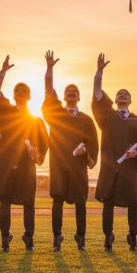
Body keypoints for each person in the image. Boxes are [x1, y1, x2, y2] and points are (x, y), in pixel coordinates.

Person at [92, 53, 137, 251]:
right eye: (120, 94)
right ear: (116, 100)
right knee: (108, 204)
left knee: (133, 205)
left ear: (131, 100)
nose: (123, 95)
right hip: (111, 169)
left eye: (126, 94)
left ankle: (132, 236)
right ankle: (108, 237)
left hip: (129, 170)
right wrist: (99, 72)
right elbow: (98, 96)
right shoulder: (108, 117)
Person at [0, 56, 49, 252]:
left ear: (29, 96)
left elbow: (44, 143)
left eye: (24, 91)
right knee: (5, 202)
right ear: (14, 95)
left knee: (28, 203)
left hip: (26, 165)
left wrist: (36, 154)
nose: (21, 93)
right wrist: (3, 71)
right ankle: (4, 238)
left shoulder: (35, 120)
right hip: (7, 163)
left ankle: (28, 238)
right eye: (17, 90)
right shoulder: (6, 112)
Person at [43, 50, 99, 251]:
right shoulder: (56, 114)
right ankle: (57, 237)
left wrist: (86, 152)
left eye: (74, 91)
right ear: (65, 96)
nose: (71, 93)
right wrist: (49, 70)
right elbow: (49, 94)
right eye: (68, 91)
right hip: (59, 164)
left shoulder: (86, 120)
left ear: (79, 96)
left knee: (80, 202)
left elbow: (93, 144)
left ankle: (81, 237)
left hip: (78, 167)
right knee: (57, 200)